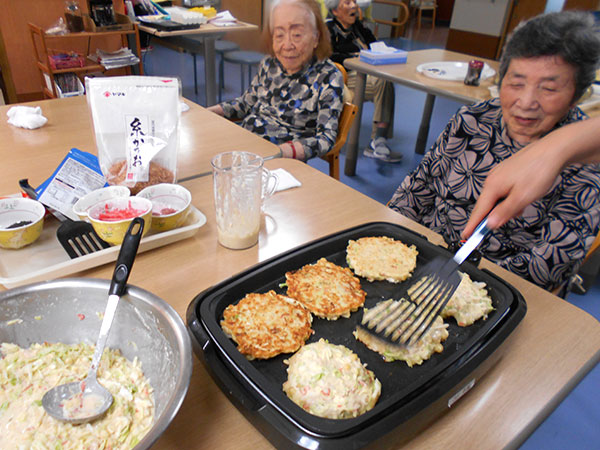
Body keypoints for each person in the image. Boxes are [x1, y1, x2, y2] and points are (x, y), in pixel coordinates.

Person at [388, 11, 600, 295]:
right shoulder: (471, 121)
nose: (526, 102)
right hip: (422, 262)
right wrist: (389, 249)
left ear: (577, 94)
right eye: (515, 83)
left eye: (548, 88)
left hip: (500, 290)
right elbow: (414, 193)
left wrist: (459, 283)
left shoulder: (587, 156)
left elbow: (548, 269)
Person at [207, 0, 343, 161]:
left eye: (297, 35)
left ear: (316, 37)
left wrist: (280, 152)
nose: (287, 45)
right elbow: (246, 103)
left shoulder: (328, 76)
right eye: (279, 35)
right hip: (246, 146)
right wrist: (208, 112)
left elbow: (326, 139)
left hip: (280, 161)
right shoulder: (270, 63)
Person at [464, 117, 600, 238]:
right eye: (516, 86)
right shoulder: (474, 119)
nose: (527, 102)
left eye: (549, 89)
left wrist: (557, 147)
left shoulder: (589, 177)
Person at [324, 0, 402, 163]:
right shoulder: (328, 30)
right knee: (383, 83)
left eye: (354, 2)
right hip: (347, 76)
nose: (354, 6)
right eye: (347, 2)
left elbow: (376, 46)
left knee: (385, 82)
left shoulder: (358, 28)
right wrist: (354, 57)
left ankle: (378, 139)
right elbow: (327, 57)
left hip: (369, 74)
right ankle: (376, 141)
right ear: (336, 11)